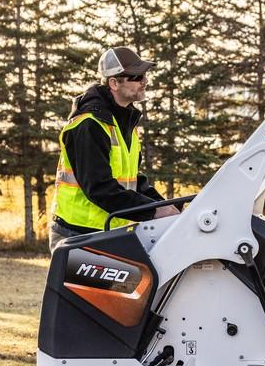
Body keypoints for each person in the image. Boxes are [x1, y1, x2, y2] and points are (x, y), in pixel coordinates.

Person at [48, 46, 179, 252]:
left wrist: (170, 207)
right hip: (78, 234)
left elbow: (133, 181)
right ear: (114, 83)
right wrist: (153, 212)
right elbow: (100, 188)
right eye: (136, 77)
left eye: (144, 75)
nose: (145, 81)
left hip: (107, 230)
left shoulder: (124, 122)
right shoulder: (89, 124)